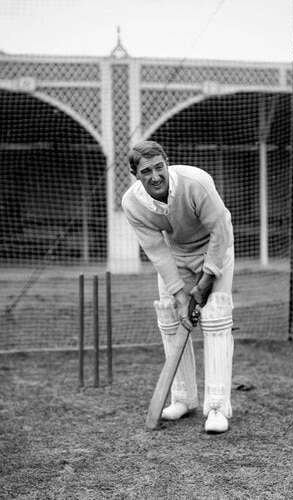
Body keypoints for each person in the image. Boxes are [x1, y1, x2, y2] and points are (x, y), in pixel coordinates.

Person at [122, 140, 235, 433]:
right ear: (136, 174)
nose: (156, 175)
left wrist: (206, 281)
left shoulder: (196, 182)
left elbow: (219, 229)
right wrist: (181, 294)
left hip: (215, 245)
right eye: (147, 171)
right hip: (176, 252)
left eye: (160, 167)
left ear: (167, 163)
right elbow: (156, 251)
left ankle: (217, 407)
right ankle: (184, 398)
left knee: (216, 315)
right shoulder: (132, 203)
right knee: (171, 315)